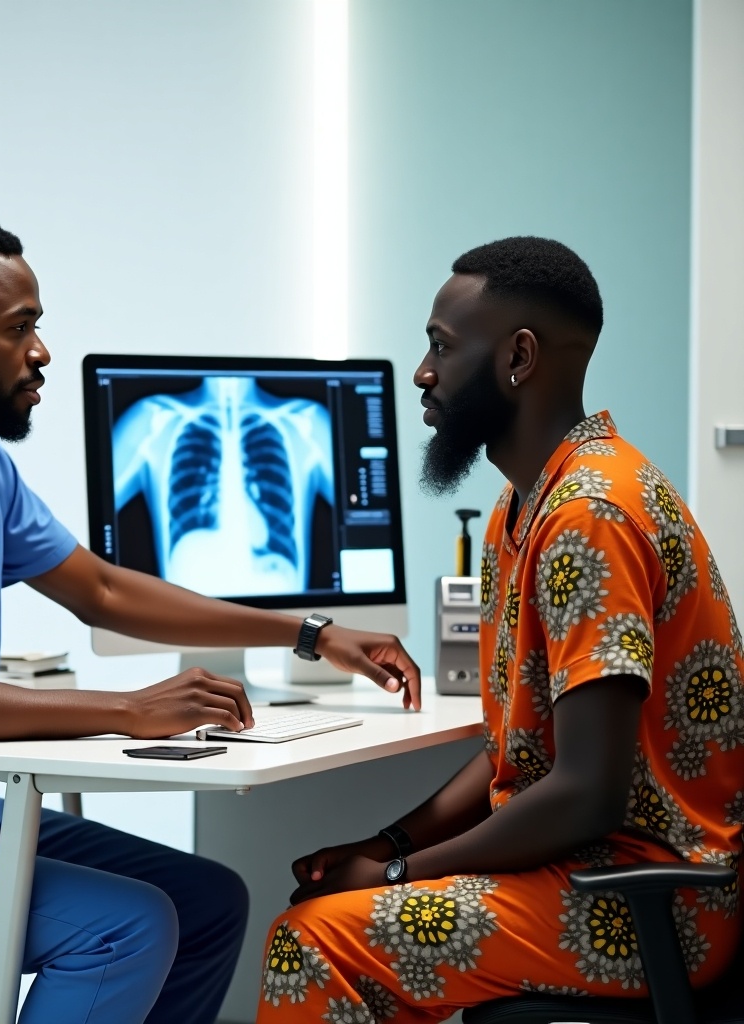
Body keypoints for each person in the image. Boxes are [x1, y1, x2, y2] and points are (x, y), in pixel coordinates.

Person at [0, 213, 420, 1024]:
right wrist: (130, 710)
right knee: (124, 928)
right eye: (19, 329)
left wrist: (312, 633)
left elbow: (105, 592)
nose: (42, 352)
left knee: (209, 901)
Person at [255, 236, 744, 1022]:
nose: (421, 373)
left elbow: (584, 794)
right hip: (577, 872)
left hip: (649, 903)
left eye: (441, 348)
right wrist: (387, 848)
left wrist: (392, 879)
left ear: (518, 358)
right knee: (339, 919)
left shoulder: (590, 514)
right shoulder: (525, 509)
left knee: (314, 940)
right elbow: (515, 753)